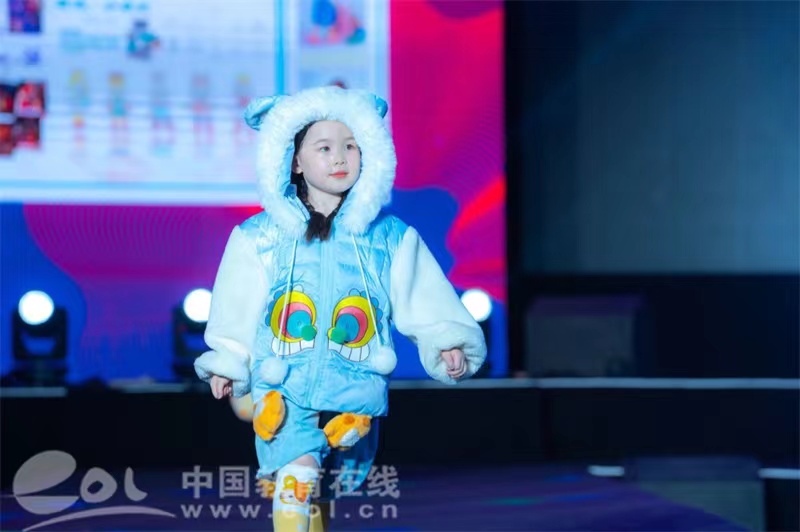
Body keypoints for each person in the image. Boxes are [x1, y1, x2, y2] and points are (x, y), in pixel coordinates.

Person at [194, 85, 487, 531]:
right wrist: (228, 359)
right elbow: (238, 302)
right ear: (294, 160)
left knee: (320, 491)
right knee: (297, 474)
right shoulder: (261, 235)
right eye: (324, 147)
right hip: (284, 388)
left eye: (351, 145)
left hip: (353, 393)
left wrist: (445, 338)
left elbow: (421, 293)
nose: (339, 158)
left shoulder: (388, 236)